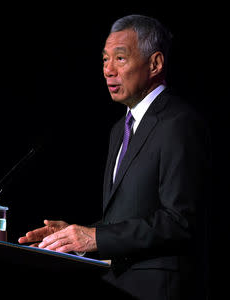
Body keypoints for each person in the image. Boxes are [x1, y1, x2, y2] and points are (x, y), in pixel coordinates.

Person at [18, 14, 210, 299]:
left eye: (120, 58)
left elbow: (179, 221)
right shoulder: (119, 129)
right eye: (105, 60)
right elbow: (124, 220)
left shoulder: (178, 122)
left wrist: (95, 237)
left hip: (160, 290)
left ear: (155, 63)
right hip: (115, 285)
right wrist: (74, 237)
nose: (108, 70)